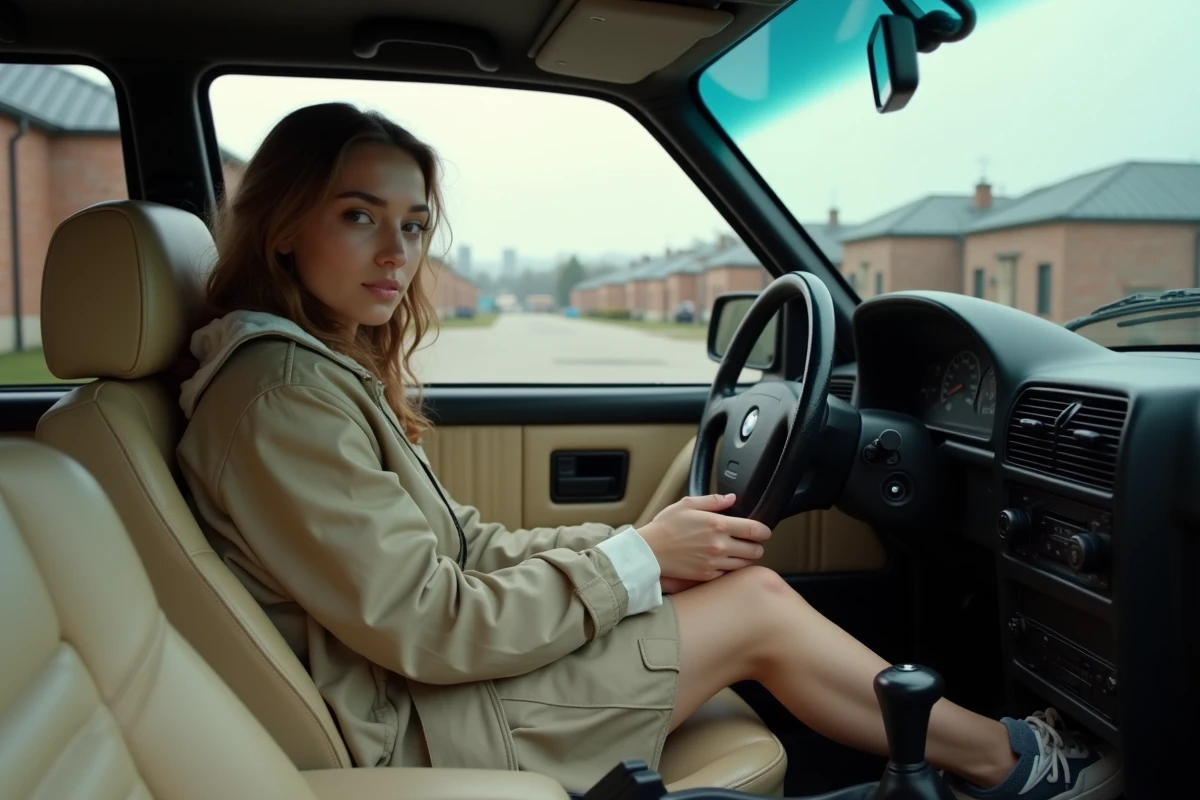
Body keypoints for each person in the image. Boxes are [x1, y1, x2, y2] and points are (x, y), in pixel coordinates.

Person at [175, 102, 1122, 800]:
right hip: (418, 727)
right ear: (286, 224)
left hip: (422, 692)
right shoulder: (280, 396)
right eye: (359, 215)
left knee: (729, 587)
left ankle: (986, 759)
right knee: (755, 606)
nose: (397, 251)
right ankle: (1013, 767)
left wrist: (641, 554)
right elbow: (431, 623)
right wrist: (633, 560)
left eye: (414, 224)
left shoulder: (308, 376)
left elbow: (462, 549)